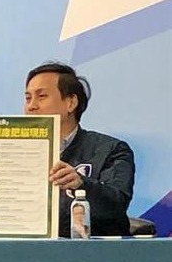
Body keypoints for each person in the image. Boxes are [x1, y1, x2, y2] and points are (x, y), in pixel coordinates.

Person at [24, 62, 135, 237]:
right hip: (25, 250)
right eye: (28, 98)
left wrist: (81, 184)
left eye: (42, 96)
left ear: (71, 103)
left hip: (91, 251)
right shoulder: (17, 154)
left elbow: (116, 205)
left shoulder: (111, 150)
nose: (31, 106)